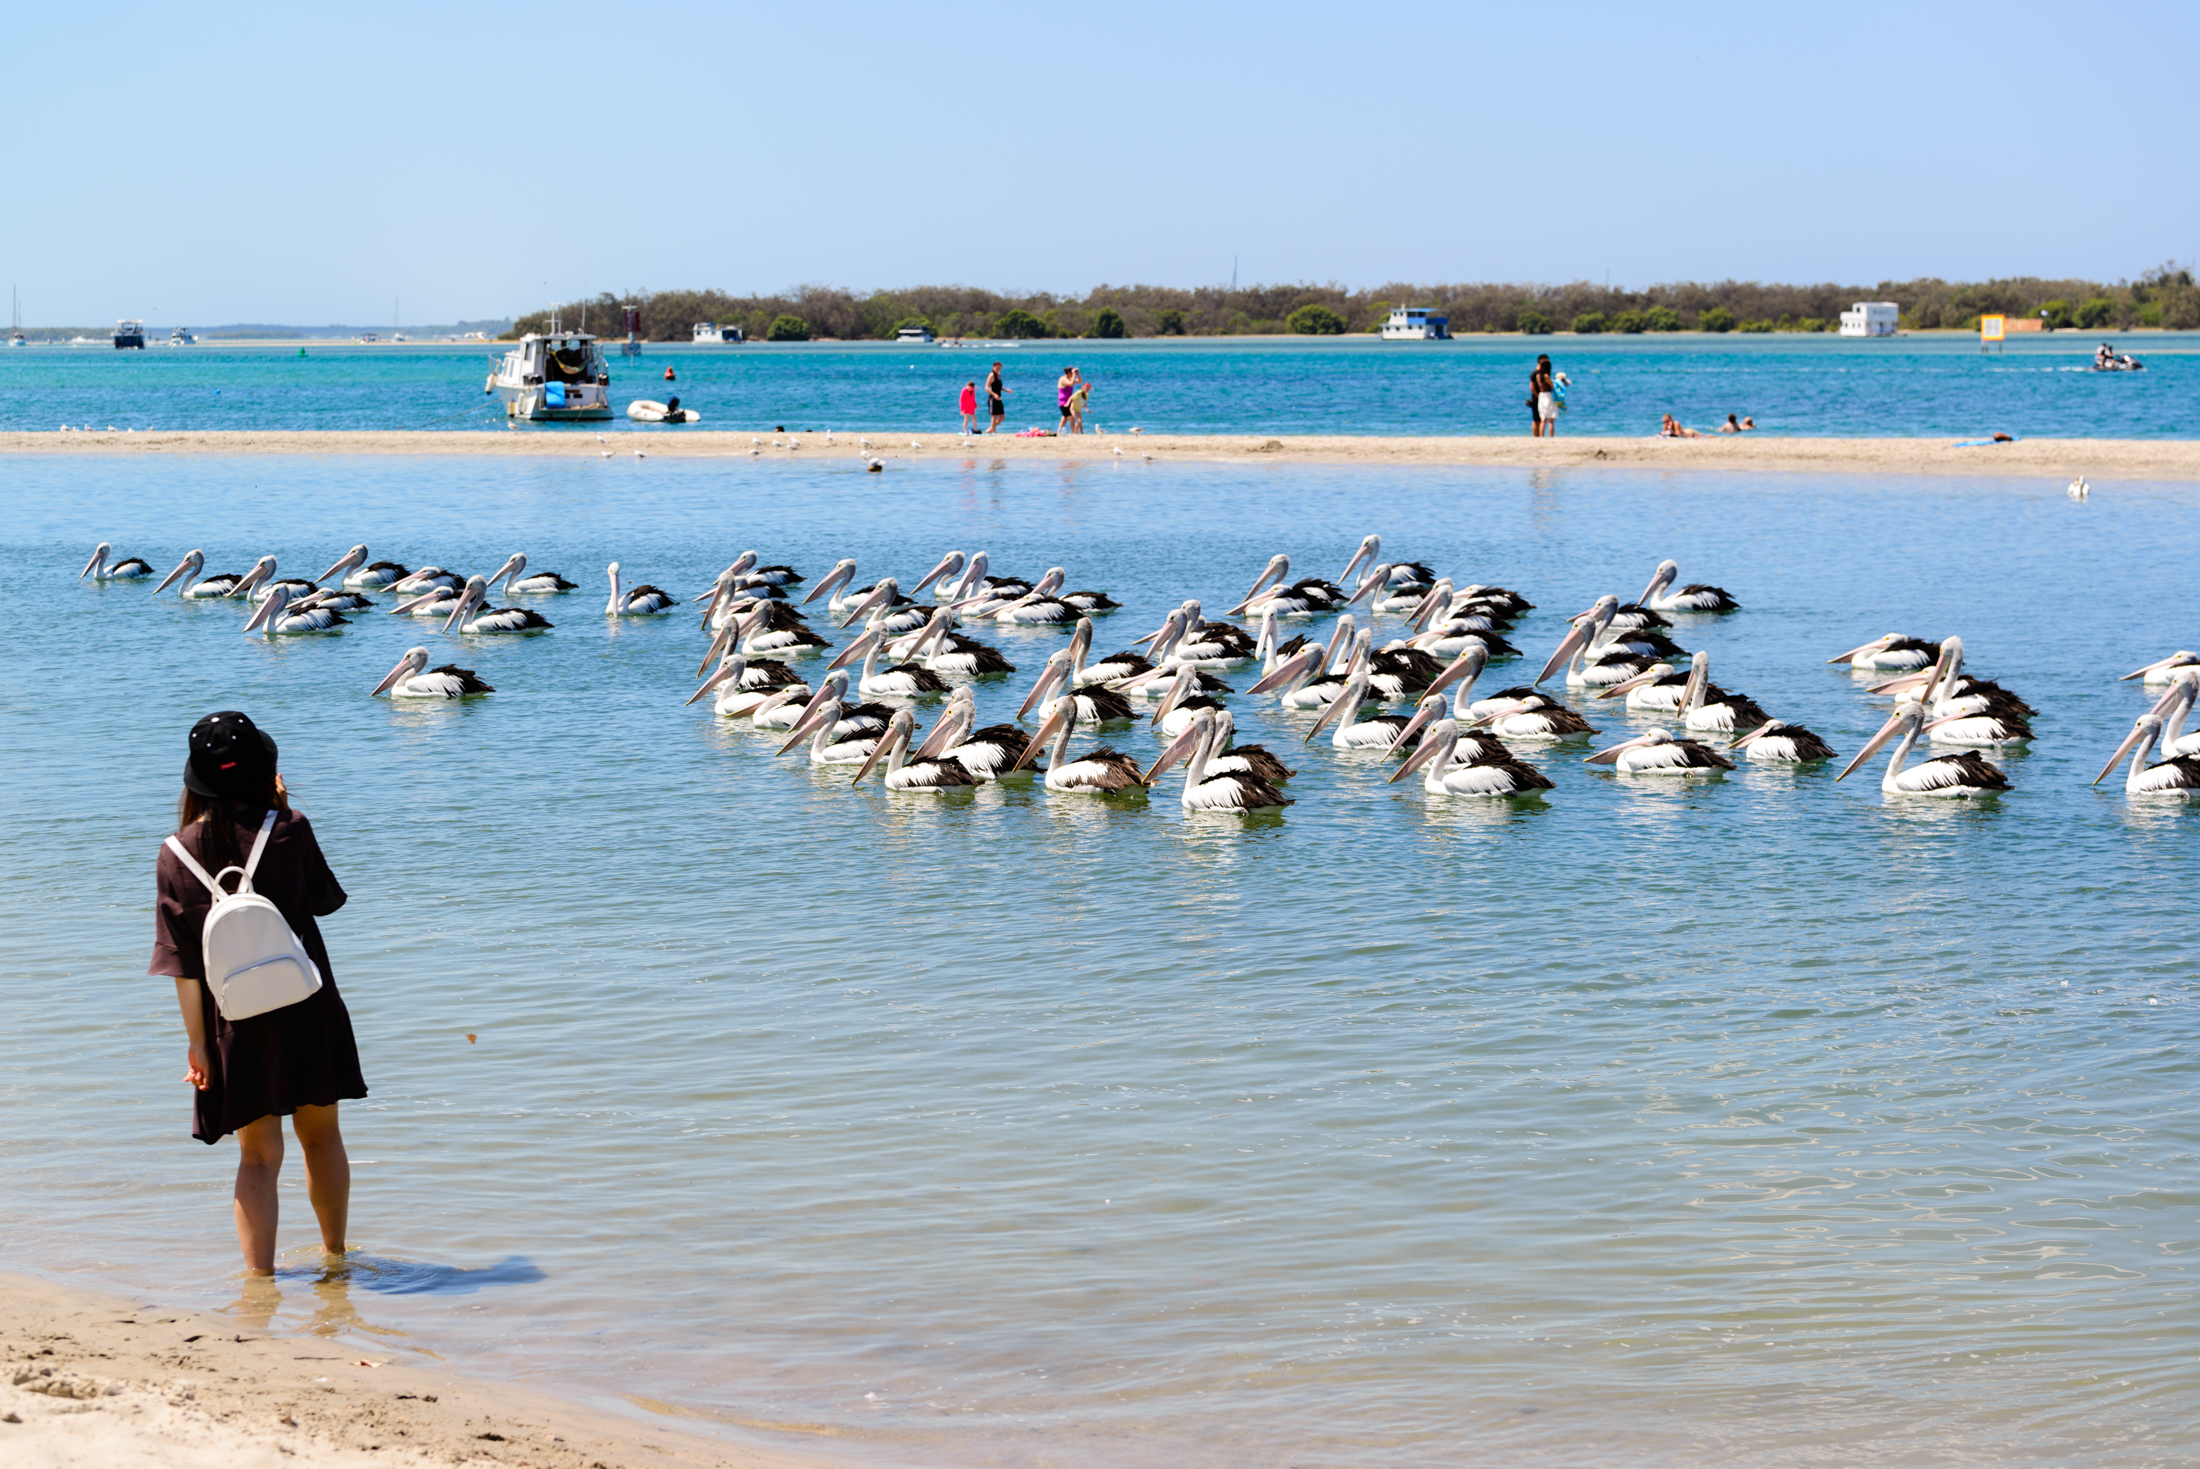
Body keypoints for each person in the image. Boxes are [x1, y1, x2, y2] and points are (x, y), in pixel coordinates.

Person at [151, 712, 365, 1276]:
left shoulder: (176, 853)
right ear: (265, 768)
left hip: (233, 1018)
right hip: (306, 1002)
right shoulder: (290, 827)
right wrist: (281, 809)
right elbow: (321, 901)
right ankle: (335, 1261)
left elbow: (184, 965)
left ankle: (260, 1283)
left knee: (257, 1155)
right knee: (322, 1136)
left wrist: (197, 1045)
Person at [1530, 354, 1559, 438]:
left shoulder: (1537, 375)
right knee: (1550, 419)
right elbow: (1553, 386)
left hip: (1541, 396)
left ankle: (1540, 437)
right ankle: (1551, 436)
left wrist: (1538, 396)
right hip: (1547, 396)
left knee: (1543, 419)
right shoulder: (1546, 376)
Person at [985, 361, 1007, 433]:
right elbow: (987, 387)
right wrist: (994, 395)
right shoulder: (991, 375)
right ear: (993, 367)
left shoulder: (998, 375)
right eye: (997, 368)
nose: (998, 369)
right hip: (993, 398)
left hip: (999, 398)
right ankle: (993, 432)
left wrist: (1005, 390)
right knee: (994, 416)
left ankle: (990, 429)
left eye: (999, 368)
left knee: (1002, 417)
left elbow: (998, 387)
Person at [1058, 367, 1077, 432]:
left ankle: (1059, 431)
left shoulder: (1070, 379)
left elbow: (1079, 381)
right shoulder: (1063, 379)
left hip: (1069, 402)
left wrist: (1078, 374)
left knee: (1065, 418)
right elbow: (1071, 384)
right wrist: (1074, 375)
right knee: (1071, 419)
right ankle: (1074, 433)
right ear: (1069, 373)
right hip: (1064, 402)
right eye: (1072, 373)